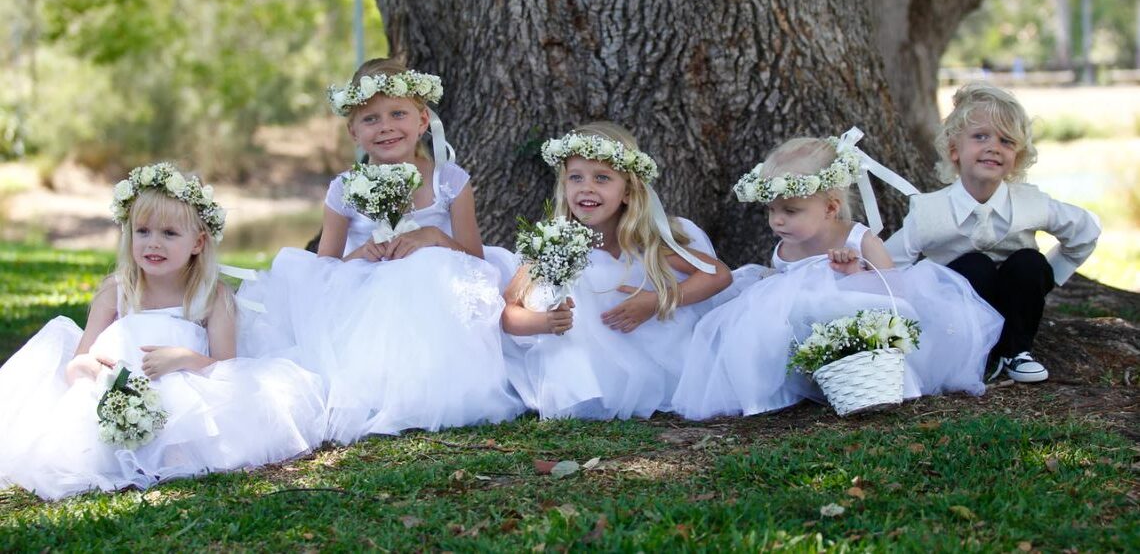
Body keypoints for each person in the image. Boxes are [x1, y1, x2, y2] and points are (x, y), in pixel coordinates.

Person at [237, 58, 523, 443]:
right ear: (353, 131)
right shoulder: (343, 188)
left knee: (423, 270)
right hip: (363, 291)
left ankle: (432, 387)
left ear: (422, 120)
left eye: (398, 114)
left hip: (437, 295)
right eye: (370, 119)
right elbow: (325, 266)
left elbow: (475, 258)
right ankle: (378, 392)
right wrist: (365, 253)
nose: (386, 126)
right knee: (387, 289)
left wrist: (433, 238)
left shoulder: (448, 180)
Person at [0, 163, 326, 500]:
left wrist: (183, 358)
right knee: (78, 444)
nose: (153, 244)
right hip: (116, 391)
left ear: (198, 242)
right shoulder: (116, 291)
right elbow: (78, 362)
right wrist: (94, 370)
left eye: (169, 234)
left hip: (187, 392)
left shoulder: (212, 296)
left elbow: (228, 368)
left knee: (185, 424)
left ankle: (174, 451)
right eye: (143, 231)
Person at [673, 130, 1004, 419]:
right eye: (771, 210)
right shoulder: (784, 248)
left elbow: (895, 292)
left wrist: (855, 271)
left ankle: (873, 381)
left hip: (860, 328)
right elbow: (784, 291)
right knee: (757, 321)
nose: (777, 221)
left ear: (830, 208)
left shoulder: (858, 239)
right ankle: (782, 385)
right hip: (809, 337)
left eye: (790, 211)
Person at [500, 122, 733, 420]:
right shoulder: (553, 246)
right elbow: (509, 312)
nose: (586, 187)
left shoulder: (646, 243)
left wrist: (656, 300)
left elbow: (719, 275)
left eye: (602, 178)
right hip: (589, 368)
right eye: (575, 177)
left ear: (627, 191)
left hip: (656, 356)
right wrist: (543, 321)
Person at [885, 83, 1100, 383]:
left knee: (1029, 263)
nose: (993, 147)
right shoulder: (930, 212)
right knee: (974, 266)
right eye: (980, 136)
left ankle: (1016, 352)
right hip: (960, 310)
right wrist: (922, 297)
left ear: (1017, 155)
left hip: (1017, 301)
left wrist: (1049, 276)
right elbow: (888, 264)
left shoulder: (1030, 202)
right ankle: (978, 354)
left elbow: (1085, 230)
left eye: (1006, 141)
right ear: (954, 150)